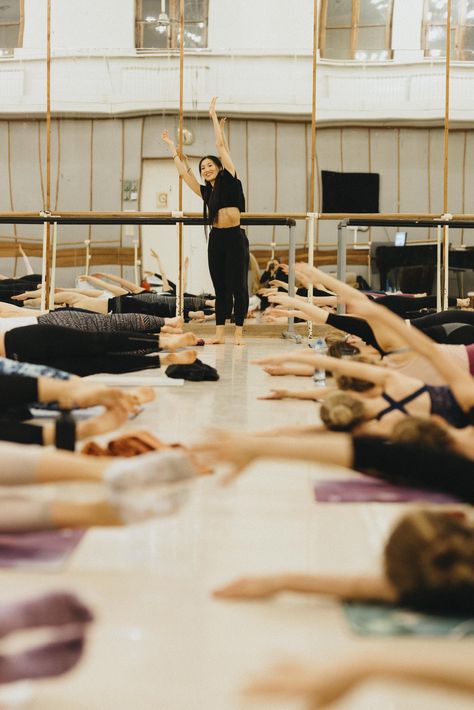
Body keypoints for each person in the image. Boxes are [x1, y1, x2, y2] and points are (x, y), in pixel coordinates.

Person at [162, 97, 249, 345]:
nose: (205, 169)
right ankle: (219, 334)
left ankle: (239, 332)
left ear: (220, 167)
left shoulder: (231, 179)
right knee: (220, 288)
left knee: (238, 286)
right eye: (203, 168)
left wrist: (213, 116)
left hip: (235, 237)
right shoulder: (207, 192)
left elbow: (220, 145)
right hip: (217, 239)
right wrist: (171, 146)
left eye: (209, 165)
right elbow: (184, 173)